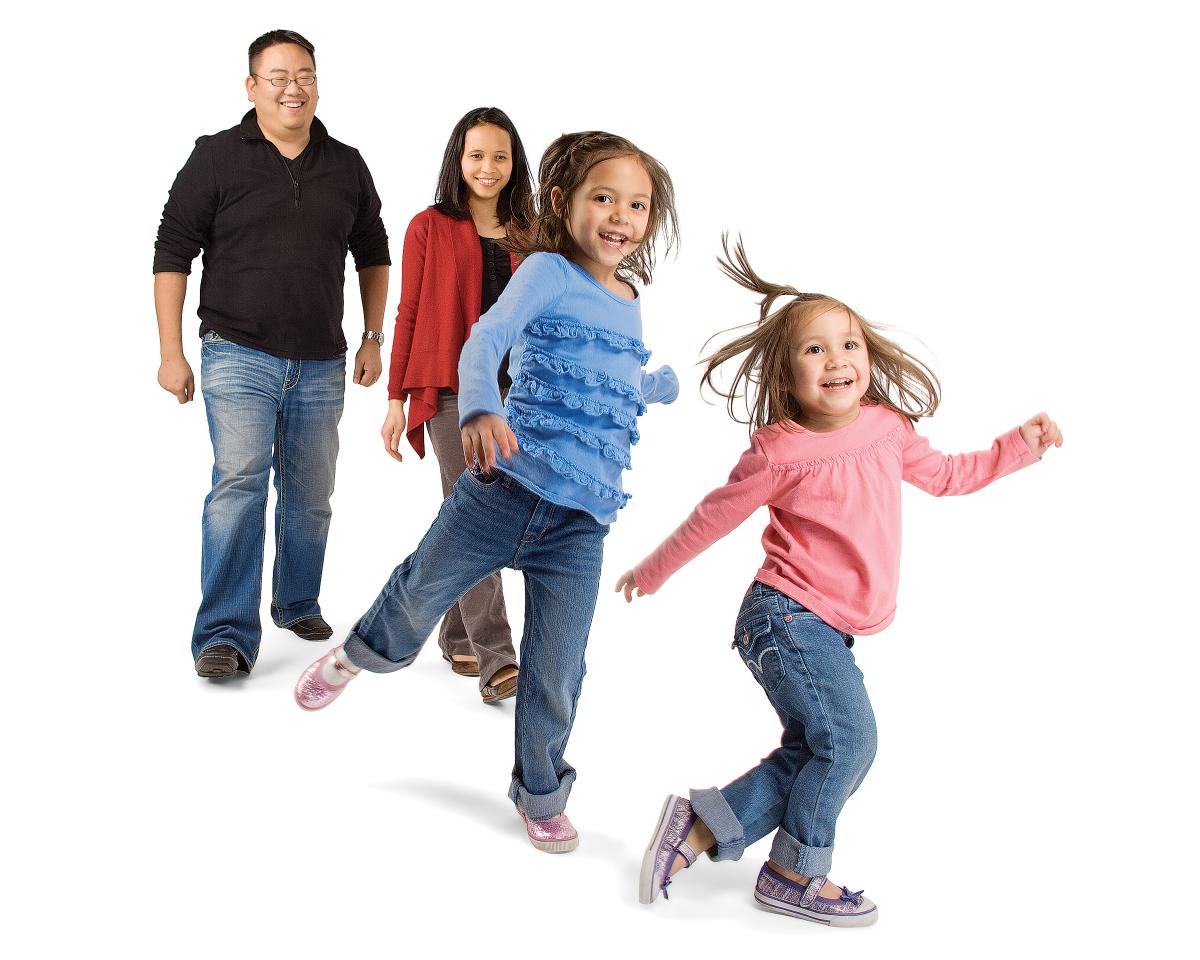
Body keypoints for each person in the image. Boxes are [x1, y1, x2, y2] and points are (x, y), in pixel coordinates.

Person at [617, 238, 1062, 925]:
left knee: (814, 749)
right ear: (786, 373)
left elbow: (950, 477)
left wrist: (1019, 447)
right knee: (852, 742)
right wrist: (654, 570)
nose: (837, 361)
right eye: (815, 350)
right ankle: (796, 872)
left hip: (827, 628)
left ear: (869, 358)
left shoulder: (887, 429)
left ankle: (698, 828)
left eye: (848, 345)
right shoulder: (781, 449)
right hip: (785, 617)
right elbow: (714, 518)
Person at [294, 131, 680, 854]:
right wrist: (478, 404)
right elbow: (487, 338)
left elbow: (599, 377)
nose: (621, 216)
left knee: (559, 666)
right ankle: (358, 655)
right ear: (564, 203)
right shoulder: (545, 272)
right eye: (605, 198)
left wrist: (647, 386)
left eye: (637, 204)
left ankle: (540, 790)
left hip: (579, 524)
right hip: (504, 488)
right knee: (417, 593)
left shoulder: (628, 297)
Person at [153, 29, 391, 679]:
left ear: (318, 82)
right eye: (278, 76)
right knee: (238, 485)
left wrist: (373, 337)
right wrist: (170, 353)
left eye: (305, 74)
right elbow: (173, 254)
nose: (294, 87)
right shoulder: (216, 158)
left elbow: (373, 252)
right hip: (236, 351)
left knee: (311, 493)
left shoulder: (345, 164)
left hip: (322, 359)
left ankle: (296, 600)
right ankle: (225, 634)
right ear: (251, 86)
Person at [381, 107, 534, 703]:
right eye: (476, 155)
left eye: (500, 156)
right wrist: (396, 398)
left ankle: (456, 634)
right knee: (477, 510)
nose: (488, 168)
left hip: (516, 391)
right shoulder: (429, 226)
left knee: (470, 508)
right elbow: (410, 311)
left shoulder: (531, 231)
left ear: (514, 162)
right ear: (458, 159)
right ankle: (497, 653)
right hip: (449, 388)